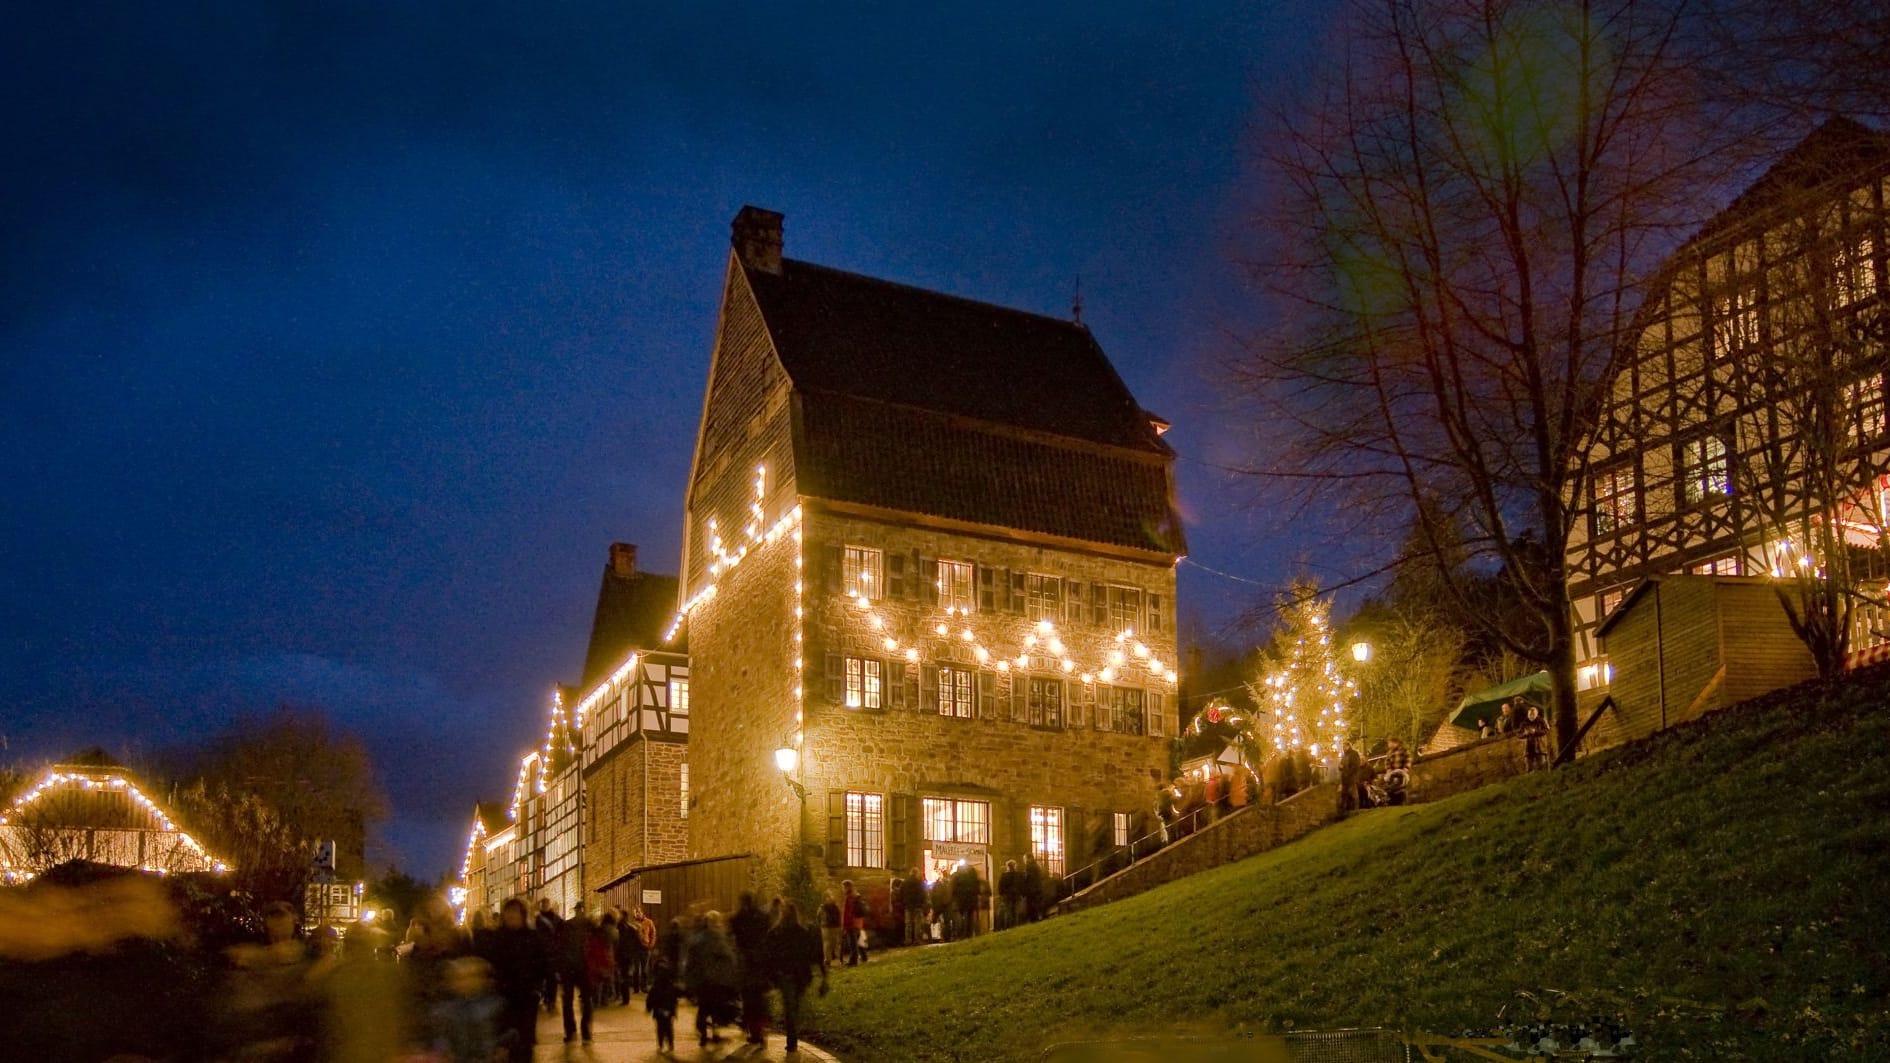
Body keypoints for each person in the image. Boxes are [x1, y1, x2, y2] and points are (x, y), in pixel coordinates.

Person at [477, 897, 546, 1063]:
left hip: (526, 998)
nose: (511, 915)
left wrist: (537, 987)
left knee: (524, 1042)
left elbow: (542, 964)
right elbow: (489, 964)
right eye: (509, 911)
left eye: (515, 911)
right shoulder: (496, 938)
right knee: (503, 1042)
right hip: (502, 998)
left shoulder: (532, 937)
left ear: (523, 914)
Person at [763, 901, 827, 1055]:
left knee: (790, 1007)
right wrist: (823, 974)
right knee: (793, 1007)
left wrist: (771, 972)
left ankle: (792, 1039)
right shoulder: (801, 932)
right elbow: (814, 954)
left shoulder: (777, 932)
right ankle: (792, 1039)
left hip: (786, 974)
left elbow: (768, 954)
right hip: (799, 975)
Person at [683, 912, 740, 1046]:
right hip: (716, 980)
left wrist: (689, 979)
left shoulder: (698, 938)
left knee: (704, 1007)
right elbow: (729, 957)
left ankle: (703, 1034)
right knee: (715, 1007)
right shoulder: (719, 938)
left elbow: (691, 960)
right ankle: (715, 1033)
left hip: (702, 980)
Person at [430, 957, 501, 1063]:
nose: (467, 982)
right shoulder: (443, 1012)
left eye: (473, 977)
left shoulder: (496, 1007)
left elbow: (501, 1039)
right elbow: (440, 1038)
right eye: (461, 978)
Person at [728, 892, 773, 1047]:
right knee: (759, 999)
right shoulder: (761, 916)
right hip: (760, 961)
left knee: (749, 998)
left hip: (747, 961)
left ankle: (753, 1031)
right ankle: (761, 1031)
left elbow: (733, 931)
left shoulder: (738, 918)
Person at [557, 901, 596, 1044]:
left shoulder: (567, 925)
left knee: (567, 1002)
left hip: (569, 968)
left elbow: (559, 947)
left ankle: (571, 1032)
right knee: (587, 1001)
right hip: (584, 967)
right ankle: (586, 1033)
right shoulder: (590, 925)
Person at [532, 899, 563, 1014]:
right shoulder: (539, 919)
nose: (544, 906)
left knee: (551, 979)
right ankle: (546, 999)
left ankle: (550, 1000)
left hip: (551, 954)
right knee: (544, 979)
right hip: (543, 954)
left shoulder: (553, 919)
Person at [646, 950, 680, 1053]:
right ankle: (668, 1044)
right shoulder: (669, 985)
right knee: (667, 1028)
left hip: (660, 1009)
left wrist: (649, 1007)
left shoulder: (657, 986)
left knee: (662, 1028)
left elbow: (651, 997)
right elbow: (675, 997)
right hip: (666, 1009)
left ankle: (663, 1044)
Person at [839, 879, 868, 964]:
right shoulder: (857, 895)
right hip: (858, 922)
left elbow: (847, 913)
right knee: (858, 941)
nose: (842, 889)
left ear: (847, 887)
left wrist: (844, 926)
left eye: (843, 887)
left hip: (851, 923)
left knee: (853, 944)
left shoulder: (849, 897)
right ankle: (864, 957)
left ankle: (853, 961)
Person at [950, 861, 981, 938]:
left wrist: (954, 897)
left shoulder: (958, 876)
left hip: (962, 900)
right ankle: (969, 933)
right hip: (971, 900)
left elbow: (954, 888)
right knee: (970, 917)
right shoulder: (973, 877)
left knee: (962, 917)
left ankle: (962, 934)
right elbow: (977, 888)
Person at [1383, 738, 1413, 806]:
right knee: (1392, 787)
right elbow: (1387, 762)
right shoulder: (1389, 752)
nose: (1389, 745)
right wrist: (1388, 769)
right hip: (1393, 773)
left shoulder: (1404, 750)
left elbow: (1408, 759)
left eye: (1390, 743)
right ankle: (1394, 802)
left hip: (1401, 771)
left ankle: (1403, 802)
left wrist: (1406, 768)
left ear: (1395, 743)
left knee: (1402, 787)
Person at [900, 870, 928, 945]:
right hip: (917, 906)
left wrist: (904, 902)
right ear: (916, 874)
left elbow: (901, 893)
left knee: (908, 923)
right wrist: (922, 903)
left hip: (908, 906)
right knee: (918, 923)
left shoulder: (905, 882)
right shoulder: (919, 883)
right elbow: (923, 894)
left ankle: (908, 940)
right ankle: (917, 939)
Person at [1521, 704, 1551, 771]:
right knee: (1529, 769)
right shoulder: (1524, 723)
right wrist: (1525, 734)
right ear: (1528, 714)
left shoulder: (1541, 721)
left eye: (1533, 714)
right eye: (1530, 714)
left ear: (1536, 714)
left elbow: (1546, 730)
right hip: (1528, 748)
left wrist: (1536, 731)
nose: (1531, 716)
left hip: (1540, 748)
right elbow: (1519, 734)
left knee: (1542, 767)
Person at [1339, 740, 1363, 813]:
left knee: (1353, 793)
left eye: (1345, 746)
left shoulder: (1354, 754)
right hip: (1345, 778)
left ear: (1348, 746)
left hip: (1351, 777)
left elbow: (1355, 766)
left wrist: (1349, 773)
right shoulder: (1344, 756)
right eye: (1343, 746)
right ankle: (1344, 810)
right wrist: (1340, 767)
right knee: (1344, 794)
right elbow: (1341, 765)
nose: (1343, 748)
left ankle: (1356, 809)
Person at [1021, 853, 1047, 924]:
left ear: (1029, 858)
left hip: (1031, 889)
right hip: (1037, 888)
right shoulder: (1036, 866)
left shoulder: (1029, 866)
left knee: (1031, 905)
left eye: (1025, 859)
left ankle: (1033, 919)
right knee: (1037, 903)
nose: (1024, 861)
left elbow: (1027, 878)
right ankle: (1039, 917)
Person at [996, 860, 1020, 931]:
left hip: (1006, 896)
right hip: (1015, 895)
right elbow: (1020, 885)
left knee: (1008, 911)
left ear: (1007, 867)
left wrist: (1001, 895)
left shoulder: (1004, 875)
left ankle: (1008, 927)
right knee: (1015, 911)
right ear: (1014, 866)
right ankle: (1015, 926)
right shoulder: (1017, 875)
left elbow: (1000, 886)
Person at [819, 891, 842, 963]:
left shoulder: (822, 907)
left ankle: (828, 959)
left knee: (827, 943)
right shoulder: (835, 906)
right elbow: (839, 915)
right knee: (835, 943)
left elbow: (818, 916)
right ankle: (837, 958)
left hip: (826, 926)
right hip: (833, 926)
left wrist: (820, 923)